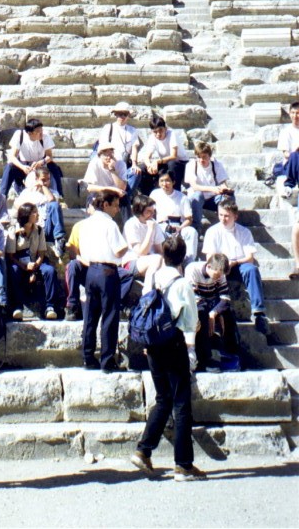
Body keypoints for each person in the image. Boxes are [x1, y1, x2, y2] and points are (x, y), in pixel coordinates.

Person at [130, 234, 206, 482]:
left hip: (152, 346)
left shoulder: (153, 276)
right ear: (183, 257)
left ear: (164, 254)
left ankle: (144, 450)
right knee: (181, 403)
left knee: (163, 398)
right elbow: (190, 322)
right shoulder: (182, 283)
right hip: (173, 344)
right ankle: (183, 465)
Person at [202, 197, 269, 335]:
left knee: (252, 270)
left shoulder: (244, 232)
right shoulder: (212, 231)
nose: (223, 219)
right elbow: (209, 257)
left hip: (238, 265)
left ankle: (259, 313)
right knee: (211, 272)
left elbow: (250, 258)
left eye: (227, 216)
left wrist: (235, 262)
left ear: (235, 216)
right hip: (219, 266)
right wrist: (222, 265)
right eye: (220, 215)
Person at [79, 190, 128, 371]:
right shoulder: (110, 224)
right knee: (109, 316)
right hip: (107, 271)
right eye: (115, 205)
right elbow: (118, 251)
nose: (117, 209)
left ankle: (88, 357)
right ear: (105, 204)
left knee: (91, 316)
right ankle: (107, 360)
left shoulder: (85, 224)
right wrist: (126, 247)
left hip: (91, 270)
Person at [185, 253, 239, 372]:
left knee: (228, 314)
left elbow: (225, 298)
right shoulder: (192, 269)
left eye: (221, 275)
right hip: (197, 304)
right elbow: (193, 298)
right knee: (201, 313)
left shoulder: (220, 274)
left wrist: (214, 313)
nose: (218, 277)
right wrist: (208, 313)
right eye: (217, 274)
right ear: (209, 266)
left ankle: (231, 353)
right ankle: (205, 358)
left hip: (213, 303)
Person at [6, 203, 61, 321]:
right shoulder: (13, 231)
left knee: (50, 271)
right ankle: (17, 306)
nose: (37, 214)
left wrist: (35, 268)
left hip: (35, 262)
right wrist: (25, 267)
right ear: (26, 215)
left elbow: (41, 253)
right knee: (13, 271)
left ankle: (50, 306)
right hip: (19, 263)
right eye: (34, 212)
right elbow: (11, 256)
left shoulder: (39, 230)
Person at [0, 119, 63, 198]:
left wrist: (42, 162)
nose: (41, 133)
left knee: (53, 167)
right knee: (9, 167)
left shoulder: (45, 136)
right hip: (23, 165)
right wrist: (23, 167)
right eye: (38, 132)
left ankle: (60, 195)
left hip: (40, 165)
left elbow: (49, 156)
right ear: (30, 133)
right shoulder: (20, 135)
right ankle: (2, 196)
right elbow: (12, 157)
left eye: (41, 130)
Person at [13, 167, 66, 257]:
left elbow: (52, 200)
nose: (46, 182)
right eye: (43, 179)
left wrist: (43, 186)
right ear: (36, 179)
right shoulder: (27, 192)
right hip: (33, 228)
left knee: (54, 205)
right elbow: (17, 205)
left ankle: (60, 239)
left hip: (47, 227)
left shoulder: (53, 192)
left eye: (48, 179)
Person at [95, 102, 142, 199]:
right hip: (109, 163)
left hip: (123, 165)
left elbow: (134, 147)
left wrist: (134, 164)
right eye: (119, 114)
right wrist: (111, 161)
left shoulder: (133, 130)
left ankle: (124, 197)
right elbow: (103, 148)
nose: (122, 116)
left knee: (135, 173)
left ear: (128, 115)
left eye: (125, 114)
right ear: (115, 114)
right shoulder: (108, 128)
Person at [185, 142, 234, 232]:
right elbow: (194, 187)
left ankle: (227, 225)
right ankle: (197, 228)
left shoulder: (216, 164)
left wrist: (225, 189)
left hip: (213, 198)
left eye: (204, 157)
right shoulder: (191, 165)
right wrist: (212, 189)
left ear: (210, 156)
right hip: (197, 199)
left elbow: (223, 182)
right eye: (199, 157)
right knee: (197, 195)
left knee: (229, 198)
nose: (201, 160)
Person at [150, 170, 197, 264]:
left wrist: (180, 228)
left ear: (173, 182)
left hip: (178, 226)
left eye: (167, 180)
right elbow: (150, 212)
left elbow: (189, 219)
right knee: (153, 230)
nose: (164, 184)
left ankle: (188, 261)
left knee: (192, 232)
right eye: (161, 181)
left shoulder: (182, 197)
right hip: (161, 226)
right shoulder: (155, 194)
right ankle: (158, 260)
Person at [122, 195, 164, 292]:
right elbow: (141, 252)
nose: (152, 214)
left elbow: (159, 250)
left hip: (152, 261)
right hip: (132, 262)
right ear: (139, 212)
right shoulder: (131, 224)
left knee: (171, 263)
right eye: (148, 212)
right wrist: (150, 230)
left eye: (153, 211)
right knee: (157, 259)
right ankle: (147, 292)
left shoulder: (154, 224)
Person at [138, 116, 189, 192]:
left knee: (172, 164)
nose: (158, 134)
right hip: (165, 163)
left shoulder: (172, 134)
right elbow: (147, 156)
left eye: (160, 130)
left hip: (180, 163)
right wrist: (150, 166)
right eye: (155, 132)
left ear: (165, 128)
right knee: (142, 168)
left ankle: (175, 192)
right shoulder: (152, 137)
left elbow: (173, 156)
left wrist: (157, 161)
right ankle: (148, 196)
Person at [83, 143, 127, 208]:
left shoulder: (120, 164)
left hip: (115, 195)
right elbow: (89, 187)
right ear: (99, 156)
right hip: (99, 194)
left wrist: (112, 170)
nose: (109, 157)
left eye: (111, 154)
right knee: (92, 200)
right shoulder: (94, 163)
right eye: (105, 155)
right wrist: (109, 189)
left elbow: (122, 188)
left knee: (125, 198)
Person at [277, 101, 299, 198]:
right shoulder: (285, 132)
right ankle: (289, 185)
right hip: (291, 163)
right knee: (294, 155)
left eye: (298, 113)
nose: (295, 116)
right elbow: (286, 154)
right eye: (293, 113)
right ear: (290, 114)